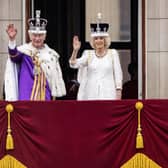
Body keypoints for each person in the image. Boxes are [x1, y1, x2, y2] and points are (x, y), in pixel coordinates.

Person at [5, 10, 66, 100]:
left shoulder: (51, 55)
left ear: (44, 36)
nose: (37, 38)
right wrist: (12, 40)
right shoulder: (24, 51)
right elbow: (13, 56)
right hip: (26, 96)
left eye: (40, 35)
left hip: (44, 96)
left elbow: (54, 80)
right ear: (30, 36)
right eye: (34, 35)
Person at [69, 13, 123, 100]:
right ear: (93, 41)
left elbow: (118, 75)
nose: (99, 41)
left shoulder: (113, 54)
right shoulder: (88, 54)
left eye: (101, 38)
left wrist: (118, 92)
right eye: (96, 39)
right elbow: (73, 64)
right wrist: (75, 50)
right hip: (91, 94)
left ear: (105, 40)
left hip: (109, 94)